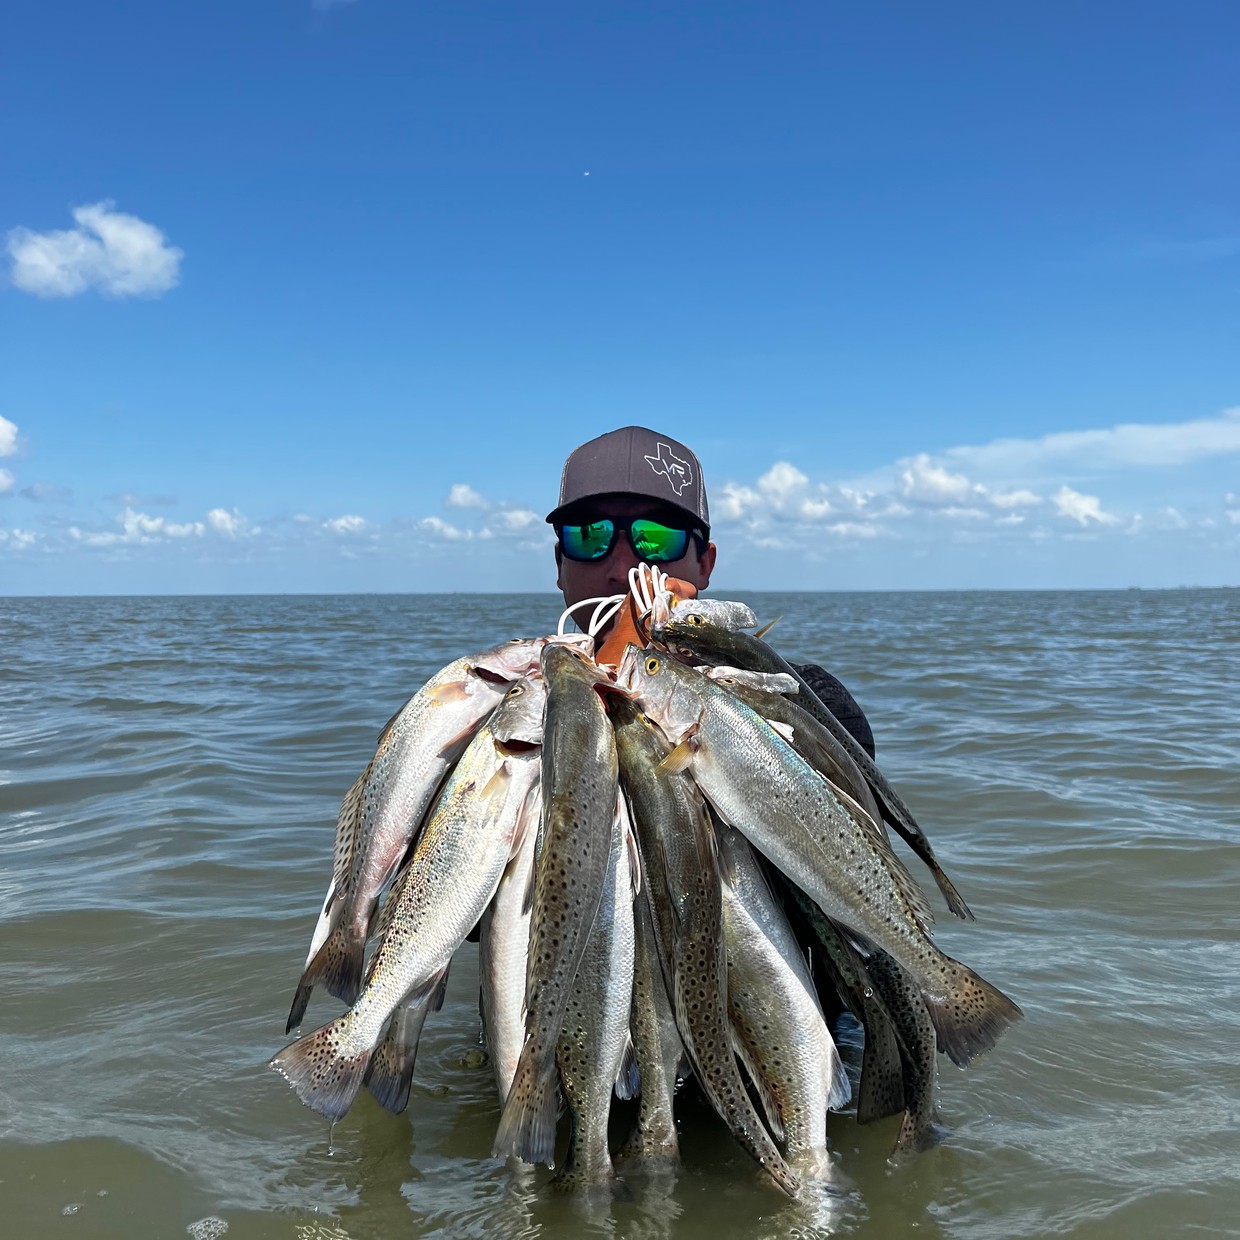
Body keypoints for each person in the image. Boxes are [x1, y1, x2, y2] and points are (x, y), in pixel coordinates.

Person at [546, 426, 876, 758]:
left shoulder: (814, 704)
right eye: (588, 537)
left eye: (657, 538)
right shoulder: (509, 697)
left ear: (705, 563)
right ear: (560, 565)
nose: (623, 572)